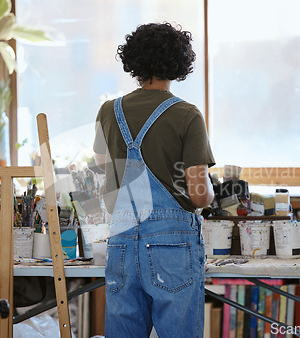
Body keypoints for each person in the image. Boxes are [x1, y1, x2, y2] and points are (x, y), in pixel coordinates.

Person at [93, 22, 215, 337]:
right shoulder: (187, 115)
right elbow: (199, 194)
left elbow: (100, 165)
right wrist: (212, 194)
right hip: (171, 244)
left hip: (121, 240)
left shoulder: (109, 111)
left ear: (134, 62)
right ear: (179, 63)